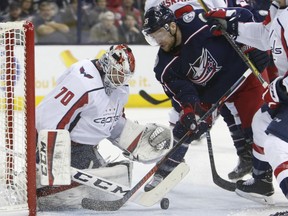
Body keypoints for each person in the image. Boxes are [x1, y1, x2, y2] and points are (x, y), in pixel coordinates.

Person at [141, 4, 271, 191]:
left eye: (159, 34)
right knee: (185, 129)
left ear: (172, 26)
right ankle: (164, 173)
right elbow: (184, 92)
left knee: (258, 129)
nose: (157, 40)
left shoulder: (199, 22)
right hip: (214, 91)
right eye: (152, 37)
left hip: (244, 75)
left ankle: (262, 181)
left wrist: (256, 47)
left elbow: (243, 15)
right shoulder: (164, 67)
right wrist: (188, 110)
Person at [35, 44, 174, 209]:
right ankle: (40, 184)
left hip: (84, 150)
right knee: (55, 196)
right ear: (107, 65)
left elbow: (112, 121)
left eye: (125, 77)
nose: (121, 81)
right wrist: (52, 161)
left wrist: (135, 138)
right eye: (118, 75)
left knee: (117, 178)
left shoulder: (119, 88)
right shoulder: (82, 83)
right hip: (60, 148)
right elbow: (48, 119)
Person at [204, 0, 288, 204]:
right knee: (262, 119)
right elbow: (264, 35)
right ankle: (261, 181)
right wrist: (232, 27)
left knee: (276, 145)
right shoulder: (279, 10)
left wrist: (279, 89)